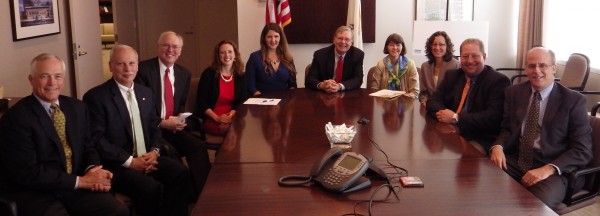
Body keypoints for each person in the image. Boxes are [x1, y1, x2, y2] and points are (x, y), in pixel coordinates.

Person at [0, 53, 128, 216]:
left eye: (58, 76)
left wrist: (93, 170)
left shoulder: (77, 108)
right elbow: (27, 172)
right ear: (31, 79)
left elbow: (88, 147)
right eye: (44, 76)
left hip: (73, 185)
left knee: (117, 210)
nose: (52, 83)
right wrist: (80, 181)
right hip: (35, 191)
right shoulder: (16, 118)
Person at [83, 45, 190, 216]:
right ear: (110, 66)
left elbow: (153, 126)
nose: (127, 69)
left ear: (138, 66)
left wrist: (155, 151)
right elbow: (97, 139)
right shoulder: (96, 97)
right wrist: (130, 161)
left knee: (180, 173)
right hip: (119, 165)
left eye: (132, 63)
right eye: (121, 64)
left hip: (147, 157)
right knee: (151, 188)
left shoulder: (145, 92)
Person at [489, 47, 592, 210]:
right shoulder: (514, 92)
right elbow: (507, 128)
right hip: (517, 160)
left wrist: (548, 169)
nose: (537, 71)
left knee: (532, 207)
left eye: (542, 65)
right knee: (484, 188)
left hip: (555, 168)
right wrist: (498, 146)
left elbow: (583, 150)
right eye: (531, 66)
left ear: (553, 68)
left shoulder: (573, 101)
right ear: (525, 69)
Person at [135, 31, 211, 197]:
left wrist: (180, 120)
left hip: (173, 128)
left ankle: (203, 195)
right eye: (166, 45)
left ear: (180, 50)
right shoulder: (143, 71)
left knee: (198, 147)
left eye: (175, 46)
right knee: (172, 154)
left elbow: (180, 107)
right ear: (158, 48)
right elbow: (139, 111)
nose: (170, 50)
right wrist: (161, 123)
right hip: (151, 129)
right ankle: (183, 195)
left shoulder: (184, 74)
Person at [426, 38, 510, 153]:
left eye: (475, 56)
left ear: (484, 57)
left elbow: (492, 118)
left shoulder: (498, 81)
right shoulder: (452, 75)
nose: (470, 61)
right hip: (450, 130)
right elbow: (433, 101)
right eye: (465, 56)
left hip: (479, 137)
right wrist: (446, 116)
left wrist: (456, 118)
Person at [196, 40, 247, 136]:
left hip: (232, 116)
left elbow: (241, 101)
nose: (227, 55)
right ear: (218, 56)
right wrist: (217, 119)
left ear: (235, 55)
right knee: (232, 132)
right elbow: (201, 103)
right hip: (212, 117)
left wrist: (230, 116)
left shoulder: (241, 76)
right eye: (222, 53)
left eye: (230, 52)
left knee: (244, 129)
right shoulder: (208, 74)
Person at [305, 25, 364, 93]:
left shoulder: (357, 55)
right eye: (340, 38)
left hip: (346, 94)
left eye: (347, 39)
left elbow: (358, 79)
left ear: (351, 43)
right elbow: (310, 79)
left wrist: (339, 86)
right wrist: (322, 85)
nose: (343, 42)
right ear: (334, 40)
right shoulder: (320, 55)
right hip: (324, 94)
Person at [246, 23, 297, 96]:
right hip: (261, 101)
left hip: (284, 102)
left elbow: (292, 85)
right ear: (264, 38)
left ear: (280, 38)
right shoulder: (254, 57)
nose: (273, 40)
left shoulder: (288, 58)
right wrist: (262, 99)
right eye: (269, 37)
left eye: (276, 36)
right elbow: (250, 86)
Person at [370, 33, 420, 99]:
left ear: (402, 47)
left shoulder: (410, 64)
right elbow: (374, 88)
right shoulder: (381, 64)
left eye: (398, 45)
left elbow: (415, 92)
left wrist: (400, 101)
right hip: (384, 103)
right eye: (391, 45)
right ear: (387, 47)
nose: (395, 48)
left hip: (405, 104)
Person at [419, 31, 459, 106]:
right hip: (429, 107)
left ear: (447, 46)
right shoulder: (425, 66)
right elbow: (423, 91)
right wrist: (424, 100)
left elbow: (456, 93)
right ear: (430, 46)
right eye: (434, 44)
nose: (437, 48)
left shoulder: (456, 65)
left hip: (448, 109)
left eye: (441, 44)